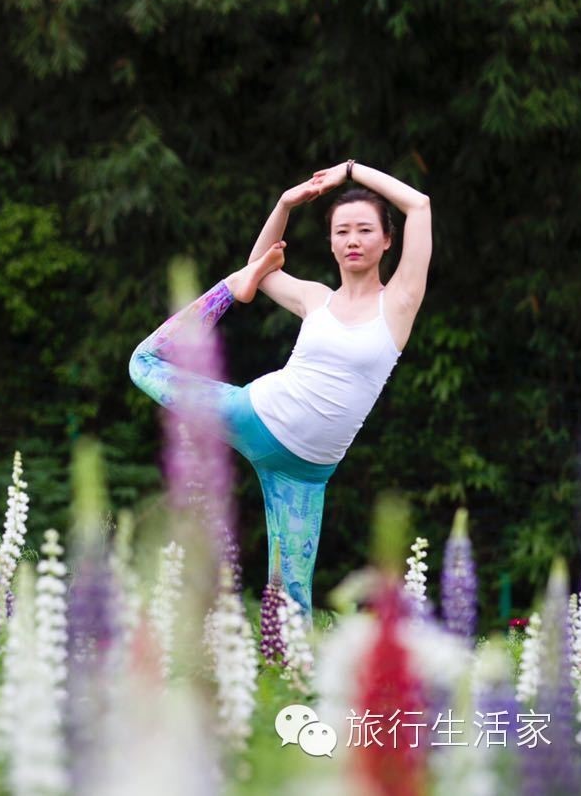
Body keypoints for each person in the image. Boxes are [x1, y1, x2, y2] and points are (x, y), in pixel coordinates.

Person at [130, 160, 432, 610]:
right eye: (342, 231)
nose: (352, 239)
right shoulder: (316, 298)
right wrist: (286, 204)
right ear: (331, 243)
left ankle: (289, 665)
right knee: (143, 363)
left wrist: (350, 171)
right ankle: (230, 289)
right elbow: (261, 267)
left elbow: (419, 205)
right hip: (253, 415)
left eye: (365, 230)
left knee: (292, 599)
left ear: (388, 240)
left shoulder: (399, 303)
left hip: (305, 474)